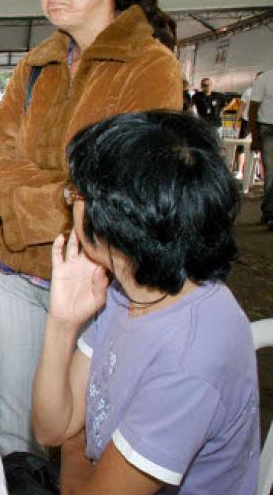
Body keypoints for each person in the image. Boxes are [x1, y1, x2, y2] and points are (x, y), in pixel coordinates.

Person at [0, 0, 182, 455]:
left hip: (101, 280)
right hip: (20, 271)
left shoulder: (149, 66)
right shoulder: (35, 67)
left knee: (91, 438)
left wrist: (11, 201)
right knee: (18, 432)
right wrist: (67, 181)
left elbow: (121, 191)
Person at [33, 111, 258, 494]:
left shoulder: (191, 357)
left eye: (76, 193)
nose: (70, 203)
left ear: (113, 219)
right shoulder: (132, 287)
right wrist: (62, 323)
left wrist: (73, 453)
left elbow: (72, 454)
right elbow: (53, 428)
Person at [248, 69, 273, 229]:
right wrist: (255, 136)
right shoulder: (264, 79)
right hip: (267, 130)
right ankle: (270, 213)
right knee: (271, 172)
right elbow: (253, 109)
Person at [234, 73, 263, 179]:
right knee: (241, 147)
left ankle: (254, 173)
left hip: (261, 123)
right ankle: (240, 171)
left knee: (257, 148)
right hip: (247, 122)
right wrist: (236, 120)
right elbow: (242, 107)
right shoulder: (249, 91)